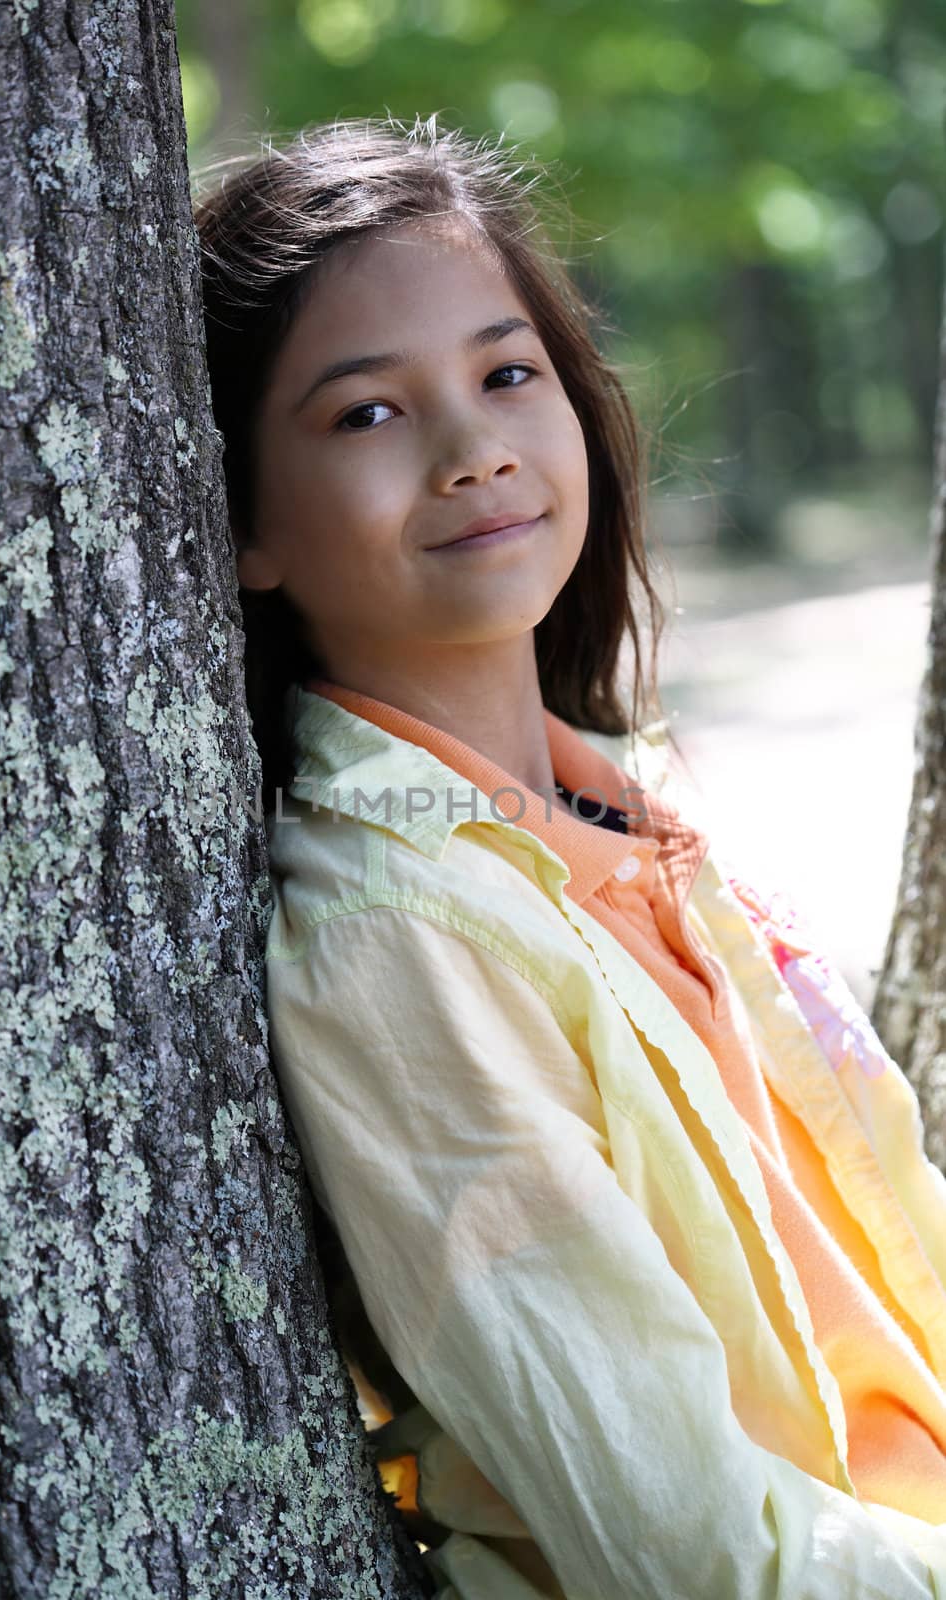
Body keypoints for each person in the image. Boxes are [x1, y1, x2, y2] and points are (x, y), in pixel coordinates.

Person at [193, 114, 946, 1598]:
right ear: (240, 524)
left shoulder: (631, 812)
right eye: (366, 414)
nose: (474, 451)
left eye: (505, 373)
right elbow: (685, 1548)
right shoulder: (395, 935)